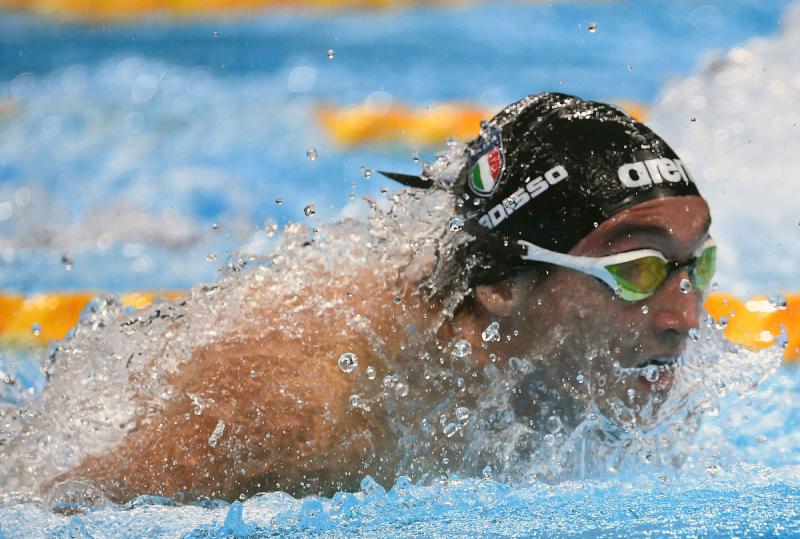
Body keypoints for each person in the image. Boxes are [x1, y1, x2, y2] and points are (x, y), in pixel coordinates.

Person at [47, 92, 713, 503]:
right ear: (501, 284)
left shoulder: (603, 380)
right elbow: (60, 507)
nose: (684, 317)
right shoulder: (305, 411)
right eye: (636, 270)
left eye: (696, 266)